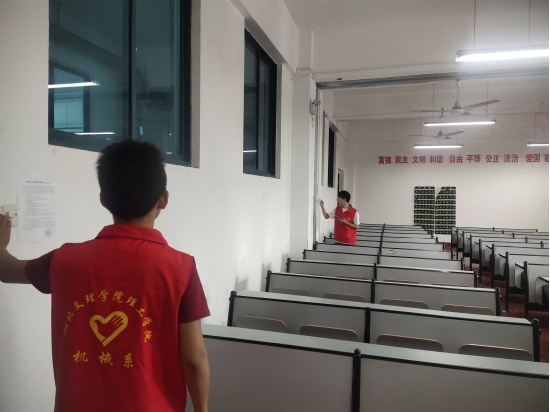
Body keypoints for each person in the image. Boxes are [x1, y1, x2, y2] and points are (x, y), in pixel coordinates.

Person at [0, 141, 210, 412]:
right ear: (163, 199)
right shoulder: (180, 268)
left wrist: (1, 246)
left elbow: (6, 270)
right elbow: (194, 360)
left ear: (103, 199)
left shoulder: (64, 260)